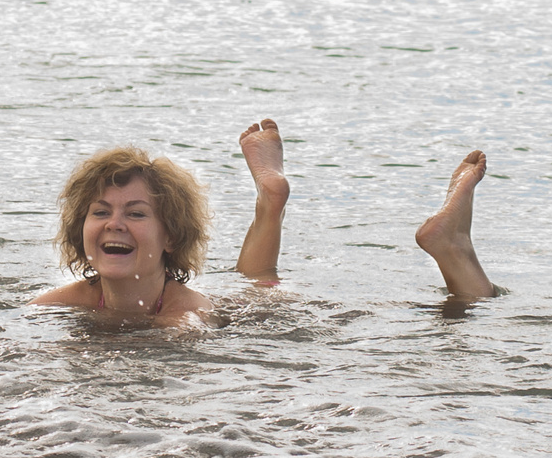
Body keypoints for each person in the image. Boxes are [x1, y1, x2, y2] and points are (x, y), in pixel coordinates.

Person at [29, 118, 497, 322]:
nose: (114, 223)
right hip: (236, 296)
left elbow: (184, 336)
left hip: (262, 315)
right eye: (100, 212)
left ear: (171, 235)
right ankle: (270, 200)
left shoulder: (184, 312)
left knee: (460, 308)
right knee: (256, 278)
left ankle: (452, 245)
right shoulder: (72, 297)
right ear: (80, 230)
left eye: (135, 213)